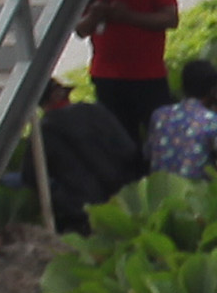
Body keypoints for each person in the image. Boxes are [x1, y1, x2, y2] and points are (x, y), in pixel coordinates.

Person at [80, 0, 180, 142]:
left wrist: (128, 17)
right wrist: (94, 16)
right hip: (106, 77)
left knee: (163, 137)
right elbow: (80, 30)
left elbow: (170, 19)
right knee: (119, 141)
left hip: (148, 76)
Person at [32, 80, 143, 223]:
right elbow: (129, 149)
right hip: (124, 194)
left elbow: (31, 175)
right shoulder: (94, 110)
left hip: (78, 206)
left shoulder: (42, 132)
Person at [143, 55, 217, 184]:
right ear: (213, 92)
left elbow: (148, 154)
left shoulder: (159, 115)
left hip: (159, 191)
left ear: (183, 86)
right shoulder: (214, 122)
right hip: (194, 193)